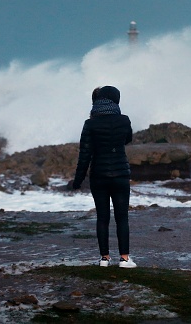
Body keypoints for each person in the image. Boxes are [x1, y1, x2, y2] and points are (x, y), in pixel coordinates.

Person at [71, 85, 137, 268]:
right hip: (121, 175)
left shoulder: (90, 123)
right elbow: (128, 139)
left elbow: (84, 154)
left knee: (102, 217)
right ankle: (124, 259)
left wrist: (78, 180)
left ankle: (104, 259)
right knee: (122, 217)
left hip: (98, 176)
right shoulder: (124, 120)